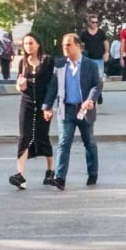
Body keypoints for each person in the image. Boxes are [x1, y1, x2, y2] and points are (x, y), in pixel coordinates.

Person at [43, 32, 105, 189]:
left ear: (78, 46)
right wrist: (47, 106)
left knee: (89, 142)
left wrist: (90, 99)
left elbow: (97, 85)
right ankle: (60, 178)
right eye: (64, 45)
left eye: (69, 45)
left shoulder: (90, 65)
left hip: (84, 110)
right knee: (64, 143)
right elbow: (53, 87)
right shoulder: (60, 65)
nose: (65, 48)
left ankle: (93, 172)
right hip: (66, 110)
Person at [10, 33, 56, 189]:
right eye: (26, 43)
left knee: (43, 136)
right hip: (27, 102)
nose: (28, 46)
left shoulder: (47, 61)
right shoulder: (23, 62)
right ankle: (20, 176)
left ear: (38, 44)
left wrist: (49, 106)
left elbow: (52, 84)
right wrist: (20, 87)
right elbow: (18, 83)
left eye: (31, 43)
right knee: (24, 137)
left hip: (43, 103)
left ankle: (50, 171)